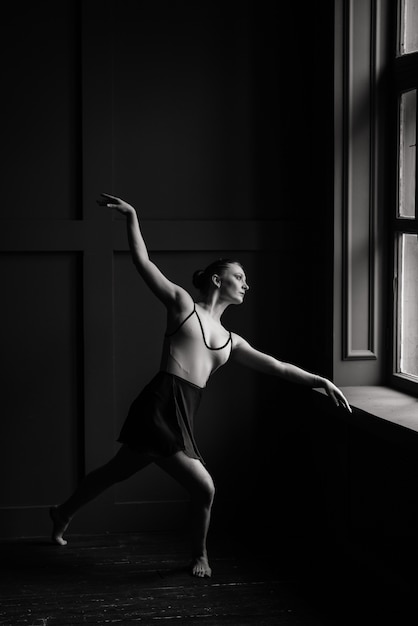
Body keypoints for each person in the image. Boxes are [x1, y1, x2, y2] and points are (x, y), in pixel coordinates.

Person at [50, 192, 352, 578]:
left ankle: (61, 513)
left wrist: (320, 380)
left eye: (245, 279)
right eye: (238, 277)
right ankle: (201, 556)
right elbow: (143, 263)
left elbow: (277, 367)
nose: (246, 284)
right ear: (216, 279)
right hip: (160, 404)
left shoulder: (231, 341)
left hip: (183, 411)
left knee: (115, 472)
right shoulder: (181, 304)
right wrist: (132, 216)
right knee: (204, 488)